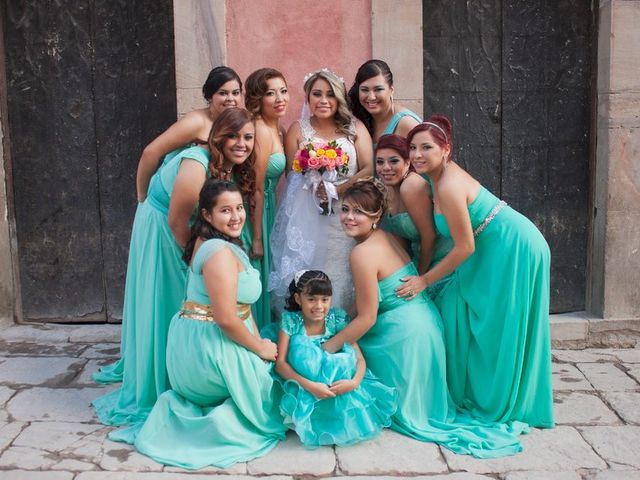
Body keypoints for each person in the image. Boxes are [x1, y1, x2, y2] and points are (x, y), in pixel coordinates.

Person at [322, 177, 526, 458]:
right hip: (426, 324)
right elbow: (368, 304)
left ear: (376, 216)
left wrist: (328, 346)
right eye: (345, 209)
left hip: (405, 338)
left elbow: (367, 318)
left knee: (349, 356)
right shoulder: (386, 237)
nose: (349, 217)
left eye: (359, 212)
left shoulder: (362, 253)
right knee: (349, 337)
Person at [92, 108, 257, 428]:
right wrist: (197, 262)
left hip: (188, 233)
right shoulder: (197, 163)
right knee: (169, 302)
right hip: (168, 234)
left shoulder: (224, 163)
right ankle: (162, 383)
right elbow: (178, 219)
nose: (241, 144)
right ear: (217, 137)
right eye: (233, 136)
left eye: (248, 138)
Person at [116, 180, 286, 469]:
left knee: (276, 362)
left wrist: (259, 350)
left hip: (193, 345)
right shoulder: (219, 253)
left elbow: (240, 311)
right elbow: (226, 318)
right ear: (207, 215)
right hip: (204, 357)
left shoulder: (207, 241)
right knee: (280, 394)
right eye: (225, 210)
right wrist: (260, 349)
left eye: (239, 208)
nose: (236, 217)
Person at [397, 116, 554, 428]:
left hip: (515, 247)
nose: (417, 155)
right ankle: (481, 389)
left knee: (503, 325)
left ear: (446, 150)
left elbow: (464, 247)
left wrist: (424, 280)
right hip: (494, 248)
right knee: (482, 320)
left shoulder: (450, 185)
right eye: (412, 148)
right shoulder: (434, 181)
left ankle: (508, 401)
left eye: (426, 147)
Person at [94, 66, 243, 385]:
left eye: (235, 92)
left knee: (177, 292)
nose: (229, 98)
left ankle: (176, 365)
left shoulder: (232, 125)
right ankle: (159, 370)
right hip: (163, 217)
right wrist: (142, 196)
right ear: (209, 96)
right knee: (169, 292)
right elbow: (152, 151)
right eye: (222, 93)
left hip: (183, 209)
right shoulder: (196, 124)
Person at [269, 68, 373, 314]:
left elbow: (369, 169)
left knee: (341, 271)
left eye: (330, 94)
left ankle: (342, 325)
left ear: (339, 98)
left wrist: (338, 188)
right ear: (307, 98)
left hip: (346, 215)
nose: (323, 101)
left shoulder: (354, 128)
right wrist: (314, 182)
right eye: (317, 94)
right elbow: (290, 174)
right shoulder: (298, 129)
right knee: (312, 269)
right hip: (309, 213)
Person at [272, 269, 396, 448]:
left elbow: (359, 359)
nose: (319, 306)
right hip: (304, 383)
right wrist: (311, 386)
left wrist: (353, 383)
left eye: (325, 299)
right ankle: (310, 417)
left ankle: (336, 420)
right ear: (298, 299)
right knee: (304, 350)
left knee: (341, 360)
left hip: (335, 386)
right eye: (311, 299)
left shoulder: (336, 320)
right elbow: (281, 364)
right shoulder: (291, 322)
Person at [375, 134, 453, 299]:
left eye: (394, 161)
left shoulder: (411, 186)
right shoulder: (384, 188)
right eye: (380, 162)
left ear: (408, 162)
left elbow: (429, 237)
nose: (386, 168)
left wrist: (419, 277)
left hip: (441, 259)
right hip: (418, 258)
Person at [241, 68, 289, 328]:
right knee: (256, 270)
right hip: (255, 212)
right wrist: (257, 236)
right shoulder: (259, 129)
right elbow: (254, 187)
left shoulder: (277, 129)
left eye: (283, 91)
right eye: (271, 93)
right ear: (258, 98)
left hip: (269, 209)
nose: (280, 98)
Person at [347, 59, 421, 148]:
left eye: (378, 89)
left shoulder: (406, 123)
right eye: (364, 90)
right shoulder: (359, 116)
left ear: (391, 90)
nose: (371, 97)